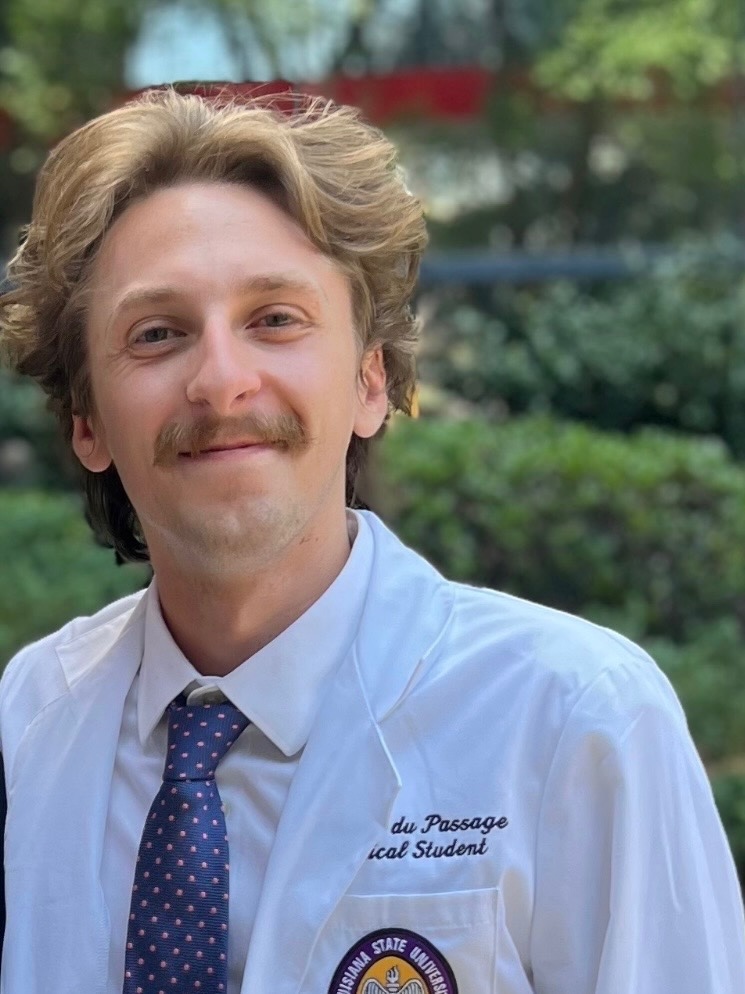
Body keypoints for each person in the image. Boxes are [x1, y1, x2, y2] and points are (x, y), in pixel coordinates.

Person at [0, 86, 743, 994]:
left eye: (275, 319)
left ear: (369, 383)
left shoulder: (577, 720)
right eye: (158, 334)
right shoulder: (28, 720)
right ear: (87, 424)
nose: (222, 382)